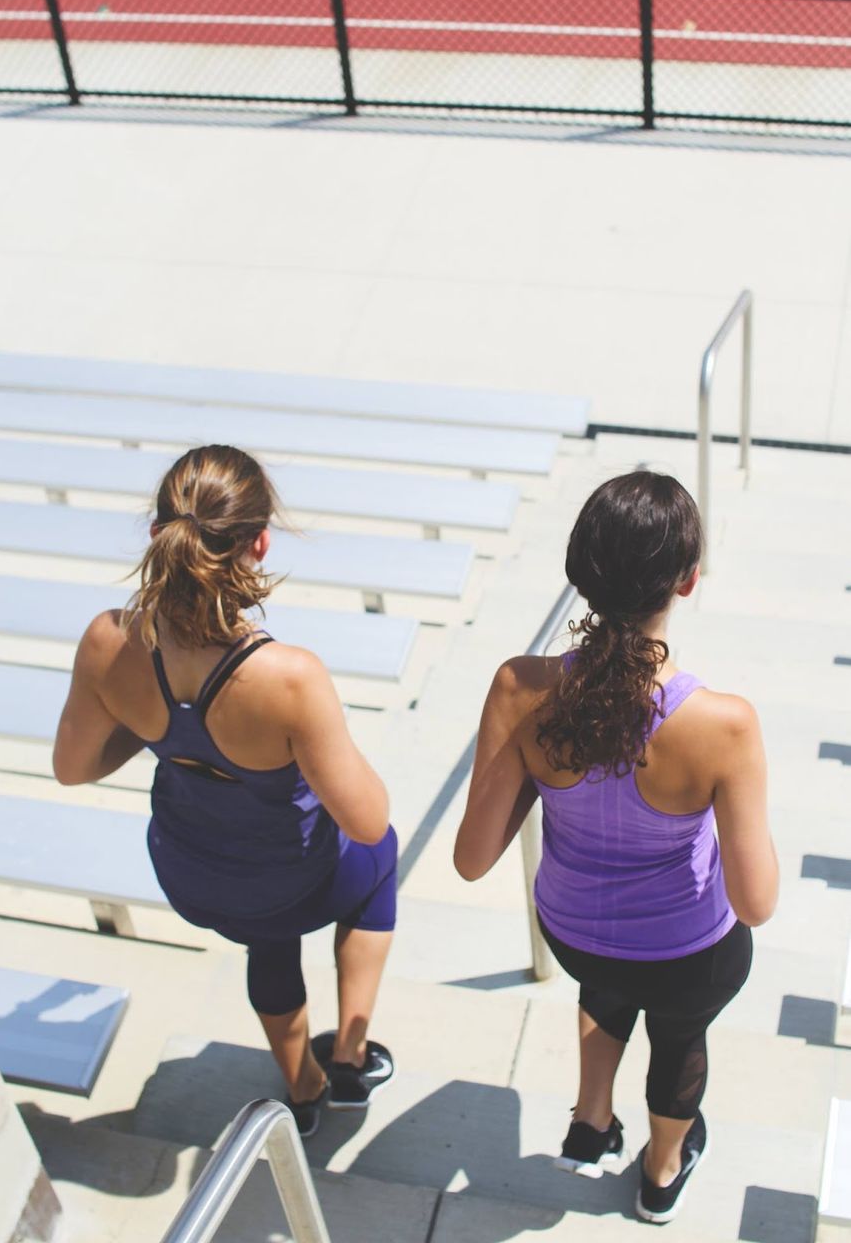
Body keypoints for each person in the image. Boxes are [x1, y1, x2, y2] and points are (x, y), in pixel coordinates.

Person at [454, 471, 778, 1224]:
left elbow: (471, 859)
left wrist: (546, 773)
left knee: (609, 983)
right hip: (687, 952)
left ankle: (591, 1116)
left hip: (574, 936)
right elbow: (754, 902)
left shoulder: (518, 689)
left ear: (581, 573)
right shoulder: (724, 726)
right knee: (676, 1035)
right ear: (686, 580)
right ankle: (661, 1172)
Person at [53, 444, 397, 1138]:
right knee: (382, 856)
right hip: (292, 879)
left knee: (267, 940)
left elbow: (73, 767)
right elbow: (365, 819)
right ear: (259, 543)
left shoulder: (108, 640)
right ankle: (352, 1058)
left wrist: (162, 735)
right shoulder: (288, 677)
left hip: (191, 876)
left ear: (157, 536)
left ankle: (303, 1090)